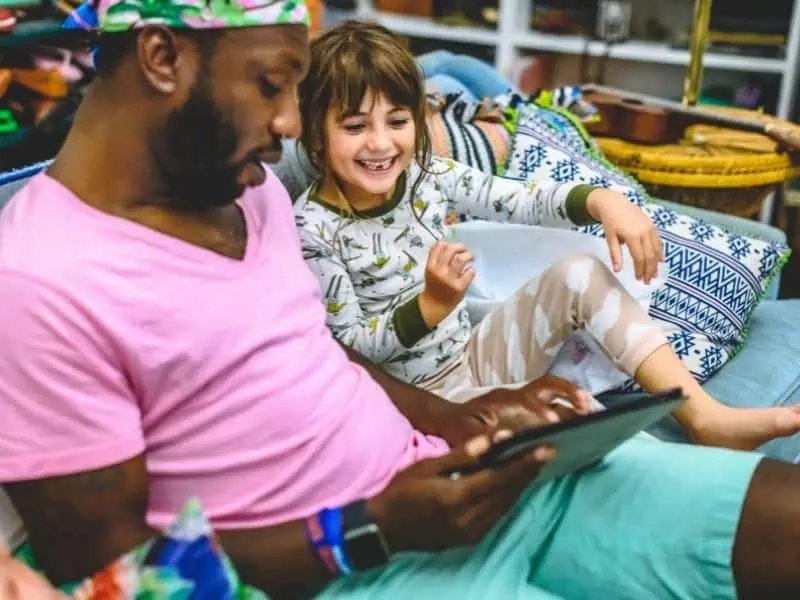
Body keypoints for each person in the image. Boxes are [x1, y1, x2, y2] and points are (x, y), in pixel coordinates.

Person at [1, 3, 800, 600]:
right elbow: (107, 577)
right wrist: (361, 532)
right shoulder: (39, 279)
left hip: (454, 481)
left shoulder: (244, 193)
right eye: (274, 86)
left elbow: (325, 348)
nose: (288, 126)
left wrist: (464, 417)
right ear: (160, 56)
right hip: (350, 569)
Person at [293, 21, 800, 452]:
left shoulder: (426, 174)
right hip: (424, 407)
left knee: (579, 273)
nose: (381, 143)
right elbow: (354, 349)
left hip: (474, 357)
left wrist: (599, 200)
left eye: (398, 121)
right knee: (570, 425)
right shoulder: (312, 227)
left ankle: (705, 417)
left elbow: (517, 198)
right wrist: (430, 304)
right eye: (356, 126)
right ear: (316, 136)